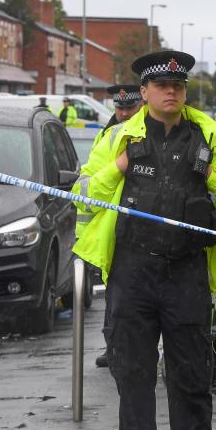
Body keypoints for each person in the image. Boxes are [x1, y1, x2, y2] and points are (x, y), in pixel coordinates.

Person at [71, 50, 216, 430]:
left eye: (177, 86)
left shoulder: (209, 136)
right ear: (145, 92)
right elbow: (83, 196)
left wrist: (211, 175)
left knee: (191, 375)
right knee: (131, 372)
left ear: (184, 91)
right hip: (132, 270)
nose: (170, 92)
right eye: (161, 86)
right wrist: (119, 167)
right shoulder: (121, 137)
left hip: (186, 271)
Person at [74, 84, 145, 368]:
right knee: (113, 291)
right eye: (120, 108)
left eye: (130, 108)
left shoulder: (143, 133)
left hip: (135, 225)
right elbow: (88, 183)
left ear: (141, 104)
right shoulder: (107, 136)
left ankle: (125, 346)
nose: (124, 113)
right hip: (106, 228)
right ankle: (112, 345)